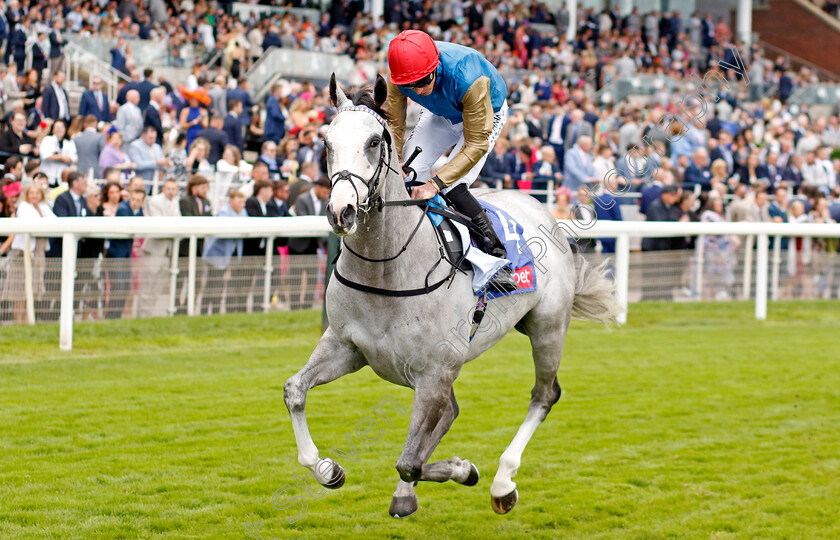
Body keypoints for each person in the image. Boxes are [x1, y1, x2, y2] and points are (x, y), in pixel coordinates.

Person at [385, 30, 516, 291]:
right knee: (407, 176)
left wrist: (436, 183)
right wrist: (397, 159)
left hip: (482, 115)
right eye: (411, 86)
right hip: (441, 113)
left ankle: (497, 256)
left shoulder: (469, 76)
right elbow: (395, 124)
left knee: (452, 184)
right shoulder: (399, 77)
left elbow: (476, 143)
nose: (419, 90)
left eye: (423, 81)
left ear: (435, 67)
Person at [3, 182, 54, 322]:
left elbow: (55, 221)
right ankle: (17, 321)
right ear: (27, 194)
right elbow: (34, 224)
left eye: (37, 193)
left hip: (38, 253)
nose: (34, 196)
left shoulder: (44, 207)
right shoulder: (24, 207)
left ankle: (27, 321)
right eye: (32, 193)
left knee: (32, 290)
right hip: (21, 253)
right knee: (19, 290)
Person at [139, 178, 181, 317]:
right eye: (168, 188)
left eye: (173, 189)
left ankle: (149, 315)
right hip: (154, 250)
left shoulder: (175, 202)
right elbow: (161, 225)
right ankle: (142, 316)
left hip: (167, 252)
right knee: (147, 286)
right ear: (163, 189)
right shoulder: (155, 201)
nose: (171, 192)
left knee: (157, 288)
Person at [202, 190, 248, 314]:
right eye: (240, 202)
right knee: (213, 285)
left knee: (223, 285)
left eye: (244, 202)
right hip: (216, 254)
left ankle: (218, 312)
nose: (242, 205)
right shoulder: (223, 212)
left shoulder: (243, 212)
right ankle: (204, 311)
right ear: (231, 201)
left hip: (232, 254)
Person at [105, 188, 145, 319]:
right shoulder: (123, 209)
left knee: (125, 287)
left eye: (138, 200)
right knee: (118, 287)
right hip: (116, 254)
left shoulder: (139, 212)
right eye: (133, 199)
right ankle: (111, 316)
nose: (134, 202)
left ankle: (117, 316)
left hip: (126, 254)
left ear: (142, 202)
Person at [127, 126, 170, 192]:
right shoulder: (135, 146)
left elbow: (162, 162)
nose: (153, 140)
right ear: (143, 136)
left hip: (156, 183)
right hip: (142, 183)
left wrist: (167, 162)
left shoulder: (157, 147)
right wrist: (156, 163)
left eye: (154, 138)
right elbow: (138, 164)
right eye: (150, 138)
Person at [39, 119, 77, 187]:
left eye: (62, 127)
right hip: (48, 175)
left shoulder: (69, 142)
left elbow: (73, 158)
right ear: (53, 130)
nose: (60, 129)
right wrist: (61, 157)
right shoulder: (47, 140)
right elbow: (45, 155)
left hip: (61, 178)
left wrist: (56, 156)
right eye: (57, 127)